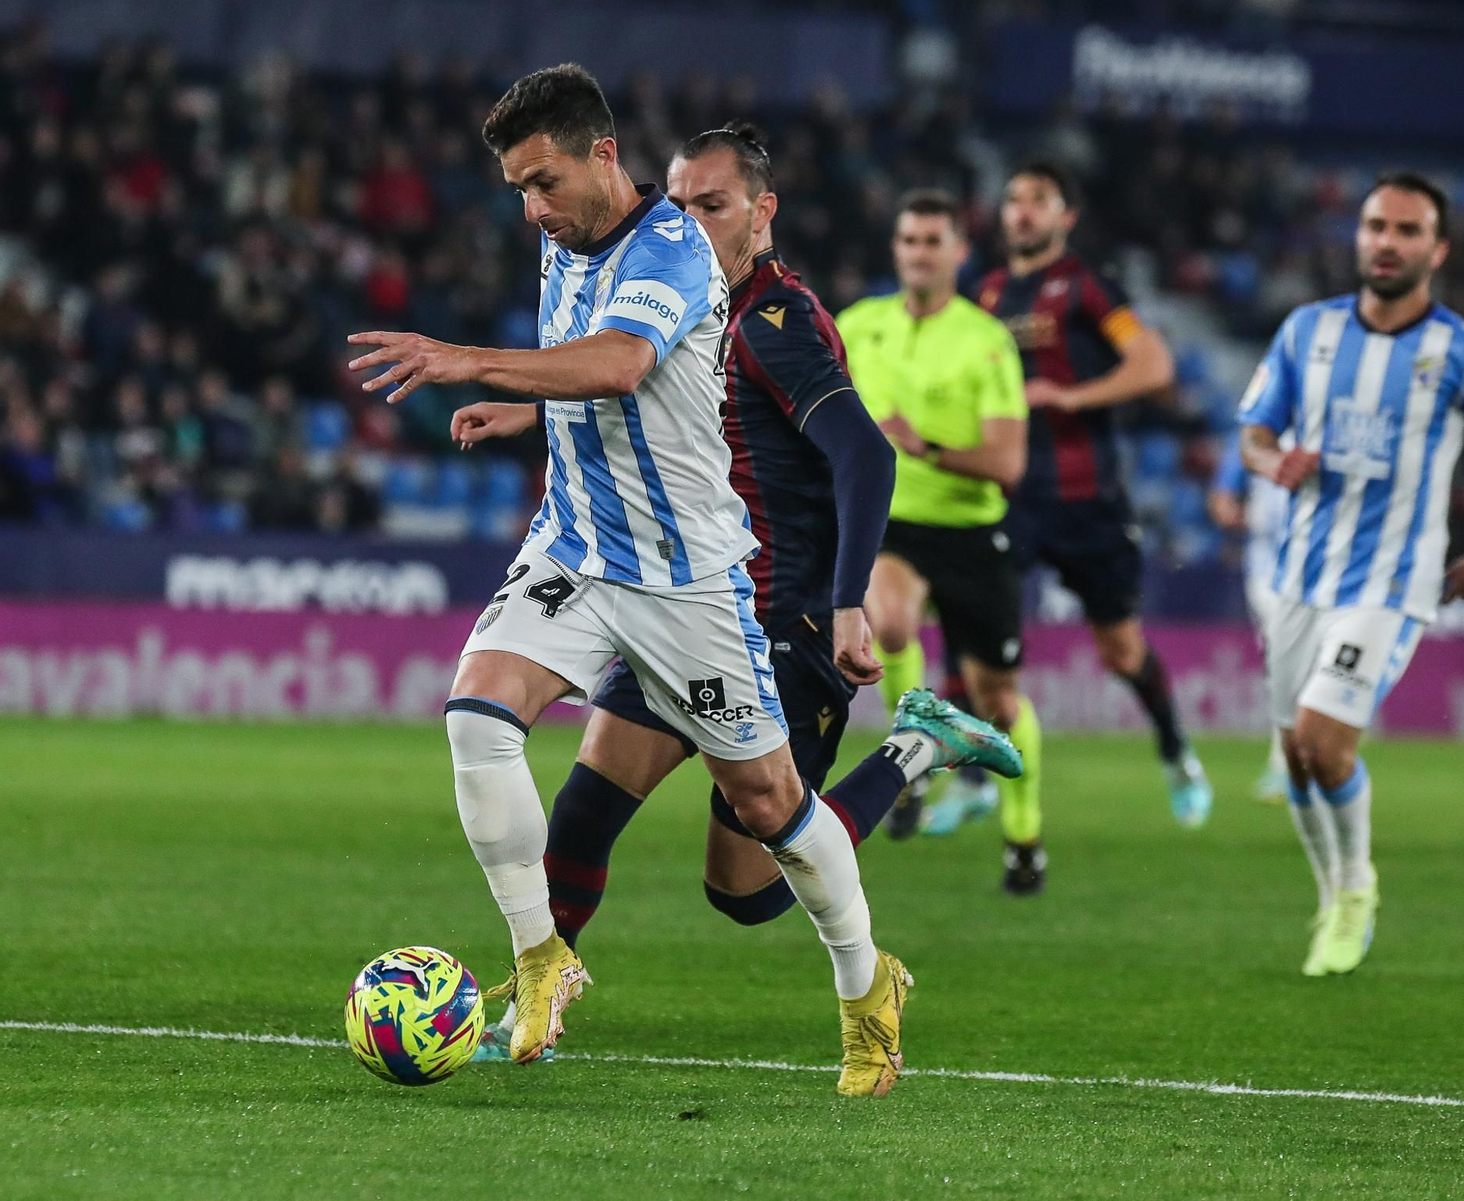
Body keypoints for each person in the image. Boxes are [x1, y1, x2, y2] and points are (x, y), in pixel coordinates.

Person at [349, 66, 1017, 1097]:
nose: (531, 208)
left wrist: (462, 359)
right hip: (577, 551)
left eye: (544, 183)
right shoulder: (565, 236)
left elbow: (623, 364)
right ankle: (539, 962)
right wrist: (531, 410)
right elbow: (634, 381)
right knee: (479, 716)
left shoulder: (679, 253)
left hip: (696, 584)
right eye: (518, 189)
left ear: (603, 157)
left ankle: (866, 982)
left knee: (766, 822)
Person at [1238, 172, 1464, 976]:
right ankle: (1332, 894)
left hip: (1391, 583)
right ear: (1359, 234)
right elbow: (1254, 432)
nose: (1387, 242)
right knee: (1295, 756)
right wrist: (1271, 462)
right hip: (1301, 576)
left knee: (1323, 743)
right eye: (1376, 226)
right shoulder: (1307, 330)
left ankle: (1358, 888)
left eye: (1407, 230)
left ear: (1437, 250)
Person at [978, 163, 1213, 828]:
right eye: (1014, 199)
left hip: (1087, 500)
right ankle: (973, 780)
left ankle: (1175, 748)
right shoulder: (986, 294)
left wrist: (1072, 396)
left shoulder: (1087, 287)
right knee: (983, 638)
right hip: (1010, 497)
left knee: (1122, 653)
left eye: (1039, 200)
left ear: (1066, 217)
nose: (1023, 211)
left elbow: (1154, 364)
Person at [836, 190, 1049, 895]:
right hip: (892, 522)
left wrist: (921, 445)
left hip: (970, 532)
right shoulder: (857, 326)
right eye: (909, 240)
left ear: (960, 252)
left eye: (933, 241)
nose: (918, 253)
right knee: (890, 624)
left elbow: (1008, 463)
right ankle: (912, 763)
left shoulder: (986, 340)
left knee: (1000, 703)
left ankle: (1024, 835)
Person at [1208, 436, 1291, 802]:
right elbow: (1221, 501)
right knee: (1284, 660)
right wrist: (1253, 518)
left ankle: (1308, 755)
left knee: (1303, 664)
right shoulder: (1256, 433)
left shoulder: (1322, 426)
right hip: (1268, 570)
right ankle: (1284, 763)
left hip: (1321, 567)